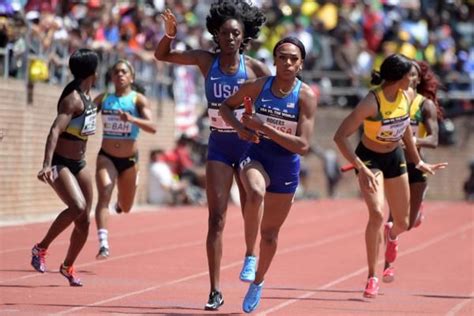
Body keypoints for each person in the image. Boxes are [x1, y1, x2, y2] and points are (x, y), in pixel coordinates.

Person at [154, 1, 270, 310]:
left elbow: (274, 97)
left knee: (252, 200)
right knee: (216, 219)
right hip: (219, 144)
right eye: (224, 33)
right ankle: (215, 290)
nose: (230, 38)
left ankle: (250, 254)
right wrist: (169, 35)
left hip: (247, 144)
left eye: (235, 33)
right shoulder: (207, 62)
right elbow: (162, 56)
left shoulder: (255, 68)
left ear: (243, 36)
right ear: (215, 36)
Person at [333, 54, 447, 299]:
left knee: (404, 222)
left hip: (395, 158)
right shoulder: (372, 102)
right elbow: (340, 136)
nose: (414, 80)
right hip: (370, 159)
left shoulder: (406, 97)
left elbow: (404, 128)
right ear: (398, 77)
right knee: (376, 213)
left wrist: (418, 161)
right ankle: (372, 277)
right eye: (410, 75)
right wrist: (360, 167)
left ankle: (392, 235)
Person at [220, 36, 317, 313]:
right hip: (256, 156)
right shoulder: (259, 86)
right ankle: (250, 254)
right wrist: (240, 129)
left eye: (293, 59)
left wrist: (265, 127)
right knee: (255, 192)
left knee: (271, 235)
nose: (287, 62)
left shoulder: (306, 96)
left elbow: (303, 145)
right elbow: (226, 107)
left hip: (286, 164)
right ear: (274, 60)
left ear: (300, 65)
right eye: (282, 57)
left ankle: (258, 282)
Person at [31, 48, 99, 286]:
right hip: (61, 163)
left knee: (85, 220)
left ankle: (68, 265)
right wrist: (46, 165)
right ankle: (41, 248)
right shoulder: (73, 99)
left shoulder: (89, 97)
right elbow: (55, 130)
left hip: (80, 163)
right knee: (77, 206)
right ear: (94, 71)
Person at [383, 60, 443, 282]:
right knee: (392, 219)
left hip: (417, 166)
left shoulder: (424, 105)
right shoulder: (389, 102)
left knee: (408, 223)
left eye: (413, 75)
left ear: (418, 79)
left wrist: (411, 140)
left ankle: (416, 215)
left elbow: (435, 140)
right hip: (394, 164)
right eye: (406, 74)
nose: (409, 78)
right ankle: (388, 266)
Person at [94, 59, 157, 260]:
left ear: (131, 77)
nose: (119, 75)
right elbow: (84, 113)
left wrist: (131, 119)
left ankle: (121, 203)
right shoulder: (104, 98)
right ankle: (103, 243)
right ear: (111, 77)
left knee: (127, 206)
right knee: (104, 192)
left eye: (123, 71)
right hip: (107, 156)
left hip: (129, 159)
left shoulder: (137, 100)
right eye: (116, 72)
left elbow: (152, 127)